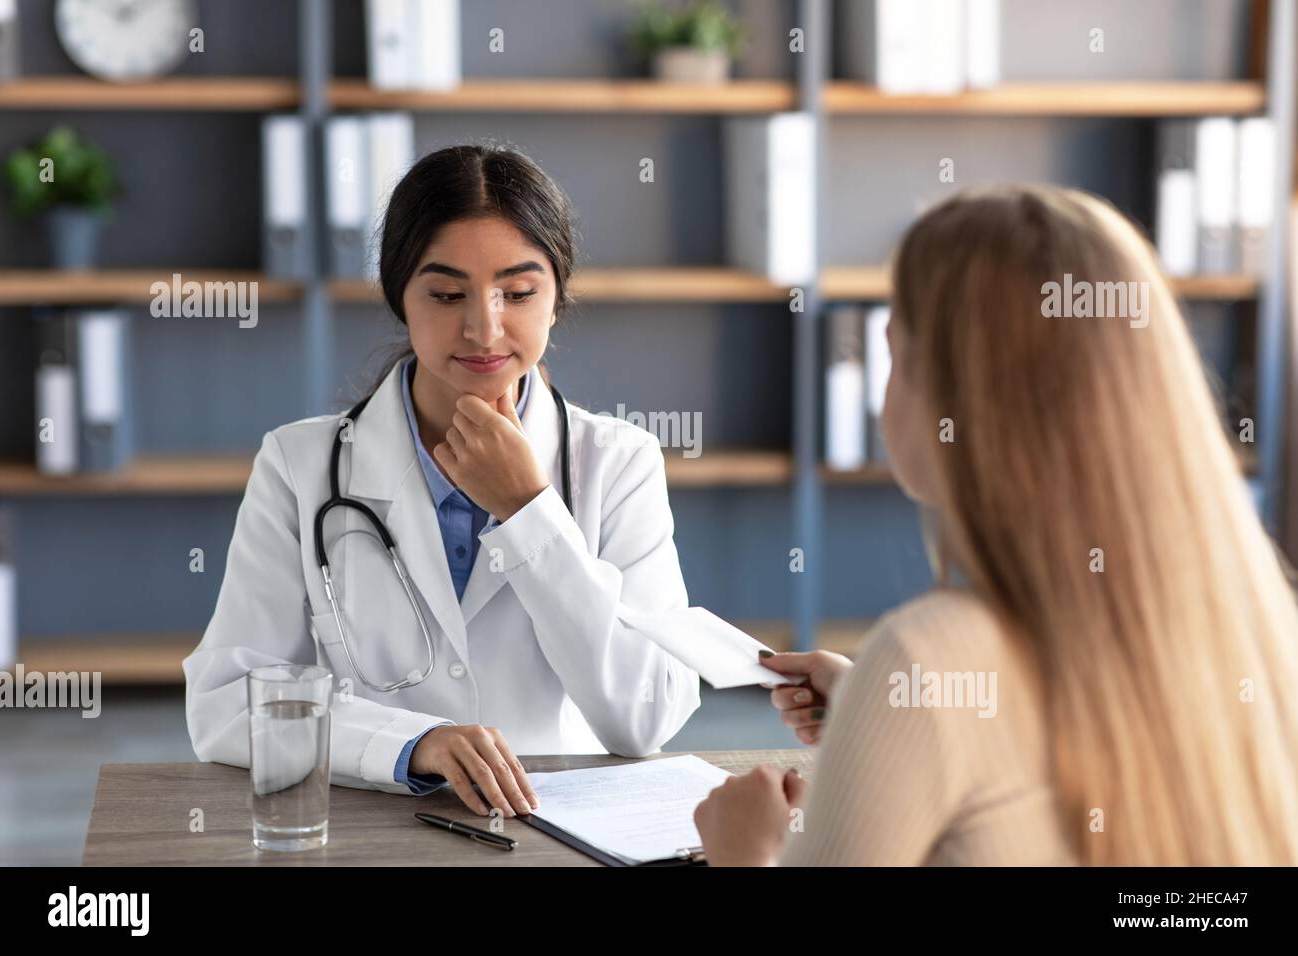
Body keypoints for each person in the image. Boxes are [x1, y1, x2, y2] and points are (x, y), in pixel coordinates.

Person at [695, 184, 1298, 866]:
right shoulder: (1256, 625)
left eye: (895, 352)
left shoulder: (928, 658)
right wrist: (881, 726)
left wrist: (743, 852)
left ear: (956, 394)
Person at [185, 144, 700, 818]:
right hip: (374, 830)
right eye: (447, 293)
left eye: (518, 293)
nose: (483, 328)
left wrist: (527, 509)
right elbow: (227, 704)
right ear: (399, 294)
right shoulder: (298, 466)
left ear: (556, 298)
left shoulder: (621, 462)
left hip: (559, 830)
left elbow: (648, 715)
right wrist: (413, 745)